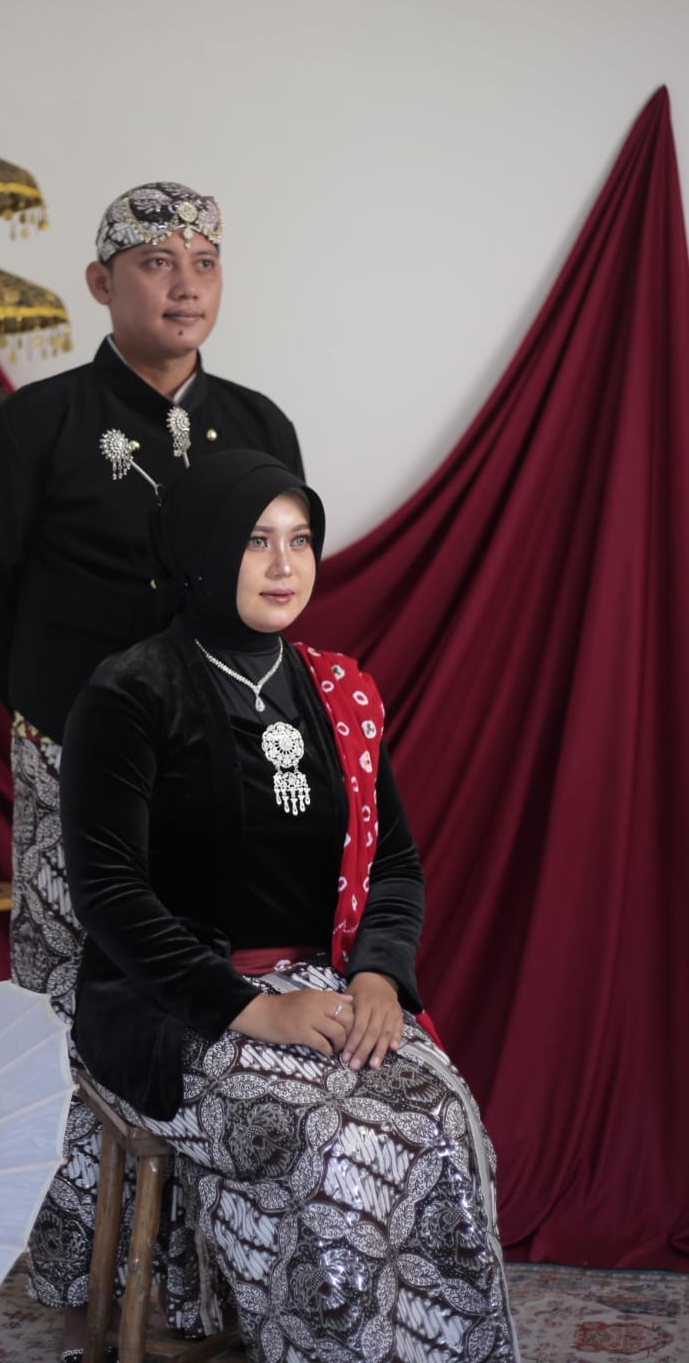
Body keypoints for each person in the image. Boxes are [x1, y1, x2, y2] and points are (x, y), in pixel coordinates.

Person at [0, 184, 303, 1341]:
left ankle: (209, 1272)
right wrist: (70, 716)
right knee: (72, 997)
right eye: (154, 262)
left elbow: (275, 587)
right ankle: (79, 1267)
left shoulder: (257, 422)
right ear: (101, 283)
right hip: (75, 760)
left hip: (221, 764)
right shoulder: (29, 427)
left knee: (211, 983)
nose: (184, 284)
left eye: (203, 260)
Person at [60, 450, 519, 1363]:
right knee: (336, 1141)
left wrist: (381, 974)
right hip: (175, 1005)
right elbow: (109, 895)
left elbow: (394, 861)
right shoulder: (131, 694)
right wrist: (254, 1010)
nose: (284, 565)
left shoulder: (338, 691)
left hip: (328, 983)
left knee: (441, 1117)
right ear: (201, 549)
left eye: (300, 540)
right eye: (255, 540)